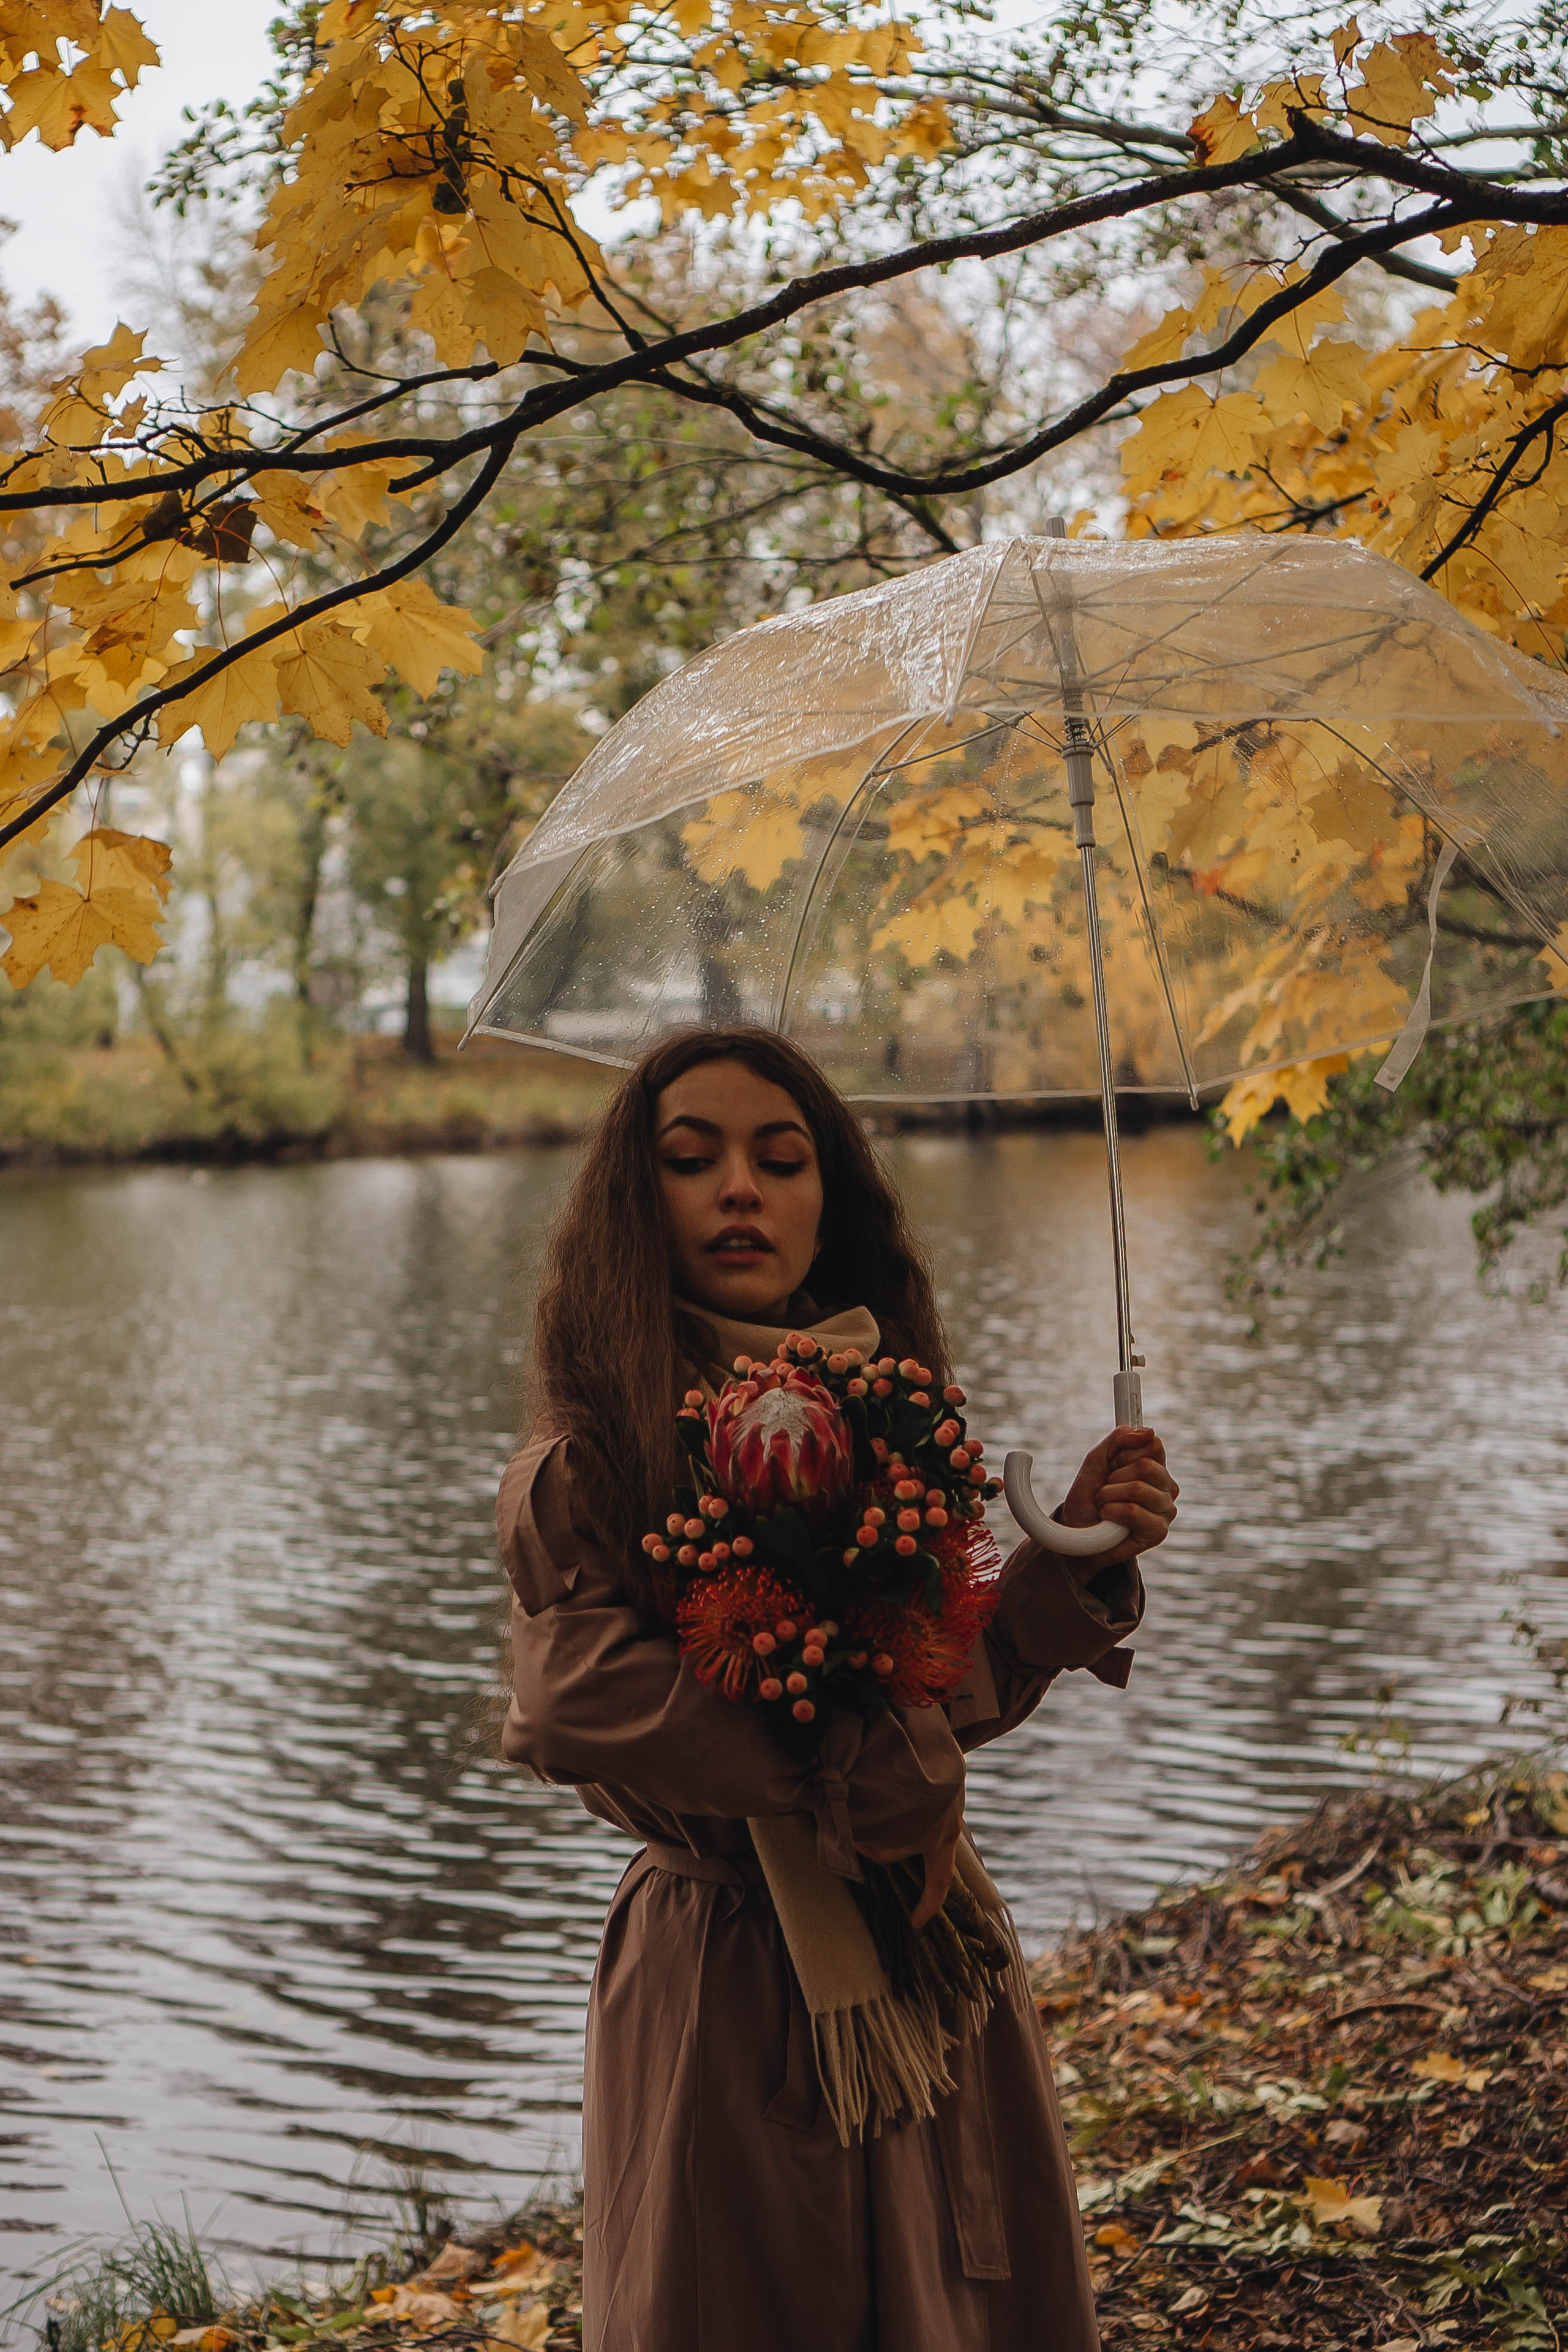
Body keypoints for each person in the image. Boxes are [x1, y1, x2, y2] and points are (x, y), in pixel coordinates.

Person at [498, 1026, 1178, 2352]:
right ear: (639, 1202)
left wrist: (1065, 1566)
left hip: (922, 1956)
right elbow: (568, 1698)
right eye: (691, 1160)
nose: (739, 1188)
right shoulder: (592, 1454)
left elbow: (940, 1687)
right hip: (730, 1979)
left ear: (831, 1196)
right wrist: (853, 1773)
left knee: (956, 2300)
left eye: (780, 1157)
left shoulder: (883, 1417)